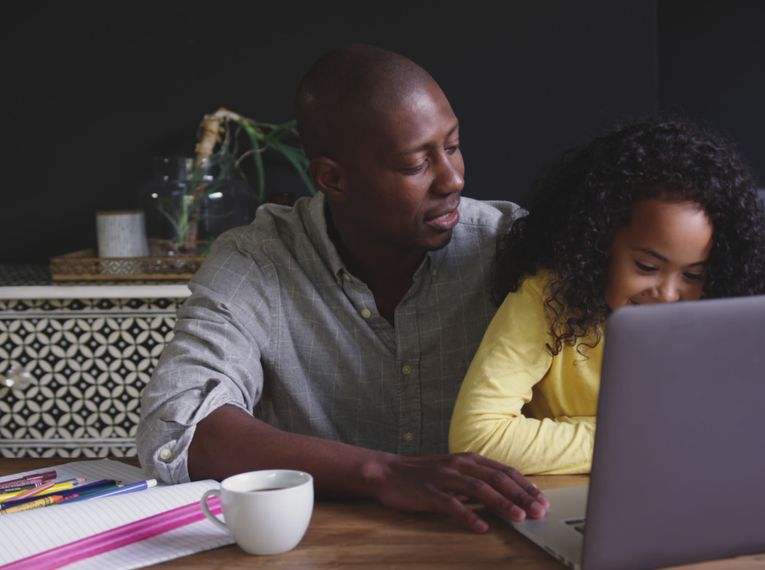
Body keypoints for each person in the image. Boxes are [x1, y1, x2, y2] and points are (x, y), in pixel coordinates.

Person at [136, 45, 549, 534]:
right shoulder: (258, 261)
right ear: (333, 178)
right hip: (317, 550)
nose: (453, 178)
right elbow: (173, 429)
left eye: (453, 146)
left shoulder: (513, 246)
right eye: (416, 165)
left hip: (496, 541)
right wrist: (381, 473)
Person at [448, 119, 765, 474]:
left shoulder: (718, 313)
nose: (668, 295)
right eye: (646, 266)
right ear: (597, 242)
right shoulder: (547, 298)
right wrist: (640, 440)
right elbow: (477, 438)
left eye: (693, 275)